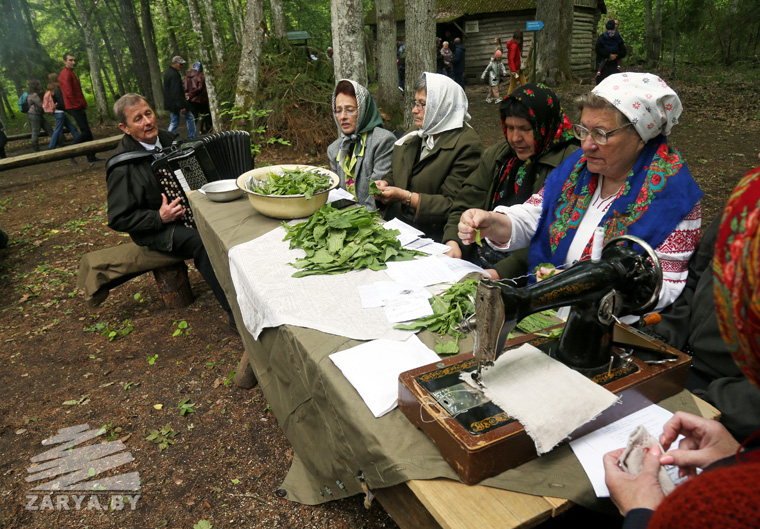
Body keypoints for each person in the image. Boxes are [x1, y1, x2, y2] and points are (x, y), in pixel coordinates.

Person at [457, 73, 702, 313]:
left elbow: (665, 286)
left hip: (612, 327)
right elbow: (535, 215)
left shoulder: (673, 195)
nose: (587, 144)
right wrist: (493, 222)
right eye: (583, 130)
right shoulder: (577, 169)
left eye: (601, 134)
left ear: (640, 136)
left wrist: (585, 287)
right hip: (551, 315)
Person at [603, 160, 760, 529]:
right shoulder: (747, 206)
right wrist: (663, 342)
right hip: (684, 368)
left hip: (722, 395)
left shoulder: (724, 504)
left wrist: (641, 512)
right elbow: (697, 274)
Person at [106, 93, 232, 325]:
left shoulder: (170, 140)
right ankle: (234, 312)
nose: (147, 122)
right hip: (155, 229)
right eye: (138, 119)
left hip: (186, 213)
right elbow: (118, 218)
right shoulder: (122, 165)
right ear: (125, 128)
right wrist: (158, 217)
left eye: (148, 113)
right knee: (201, 241)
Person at [443, 84, 580, 282]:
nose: (515, 138)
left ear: (545, 126)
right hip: (477, 257)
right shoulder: (498, 156)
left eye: (525, 129)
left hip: (527, 272)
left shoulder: (570, 163)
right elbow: (466, 202)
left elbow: (549, 233)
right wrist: (454, 242)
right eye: (510, 128)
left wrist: (500, 273)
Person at [375, 72, 483, 241]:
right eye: (415, 103)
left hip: (433, 235)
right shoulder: (418, 132)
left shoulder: (466, 145)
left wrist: (406, 197)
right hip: (399, 224)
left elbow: (453, 205)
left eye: (422, 104)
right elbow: (397, 170)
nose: (414, 110)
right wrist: (386, 183)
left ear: (442, 105)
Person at [326, 80, 395, 211]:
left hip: (374, 217)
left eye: (350, 110)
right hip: (343, 216)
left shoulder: (382, 141)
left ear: (364, 110)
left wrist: (357, 221)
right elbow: (334, 194)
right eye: (338, 111)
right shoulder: (334, 149)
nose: (343, 117)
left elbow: (376, 196)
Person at [59, 52, 103, 162]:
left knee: (87, 132)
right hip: (74, 106)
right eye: (70, 60)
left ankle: (91, 157)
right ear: (65, 62)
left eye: (74, 60)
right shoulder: (65, 74)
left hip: (76, 106)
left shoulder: (69, 72)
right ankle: (70, 151)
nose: (73, 62)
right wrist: (77, 105)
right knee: (86, 132)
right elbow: (68, 93)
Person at [163, 56, 195, 139]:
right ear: (175, 63)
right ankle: (192, 137)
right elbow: (175, 91)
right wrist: (181, 106)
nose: (182, 66)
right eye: (180, 64)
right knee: (190, 117)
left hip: (171, 103)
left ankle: (168, 139)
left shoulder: (168, 73)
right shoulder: (174, 75)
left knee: (174, 121)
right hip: (176, 103)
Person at [46, 72, 80, 152]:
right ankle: (51, 146)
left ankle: (79, 139)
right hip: (59, 112)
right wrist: (68, 109)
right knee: (58, 130)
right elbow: (61, 102)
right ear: (56, 78)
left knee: (71, 127)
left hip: (58, 112)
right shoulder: (57, 89)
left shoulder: (50, 89)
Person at [25, 79, 53, 152]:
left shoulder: (32, 94)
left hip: (37, 114)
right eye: (38, 84)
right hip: (34, 115)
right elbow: (41, 105)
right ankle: (36, 149)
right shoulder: (33, 95)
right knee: (35, 131)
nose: (40, 85)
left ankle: (58, 142)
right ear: (35, 86)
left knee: (48, 128)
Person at [596, 20, 626, 85]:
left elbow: (598, 49)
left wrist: (609, 55)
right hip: (613, 66)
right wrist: (614, 55)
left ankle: (598, 72)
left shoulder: (602, 37)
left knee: (603, 85)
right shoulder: (618, 37)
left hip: (606, 66)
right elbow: (623, 52)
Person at [184, 62, 210, 135]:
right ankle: (207, 130)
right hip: (201, 99)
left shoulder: (187, 77)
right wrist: (190, 94)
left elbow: (184, 87)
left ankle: (192, 134)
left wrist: (188, 95)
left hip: (191, 100)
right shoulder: (200, 76)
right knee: (206, 115)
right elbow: (200, 88)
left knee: (194, 117)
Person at [506, 29, 527, 96]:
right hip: (515, 70)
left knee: (524, 84)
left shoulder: (514, 45)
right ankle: (507, 99)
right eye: (519, 39)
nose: (519, 41)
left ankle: (527, 97)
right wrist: (513, 70)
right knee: (512, 85)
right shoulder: (514, 46)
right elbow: (511, 59)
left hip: (519, 69)